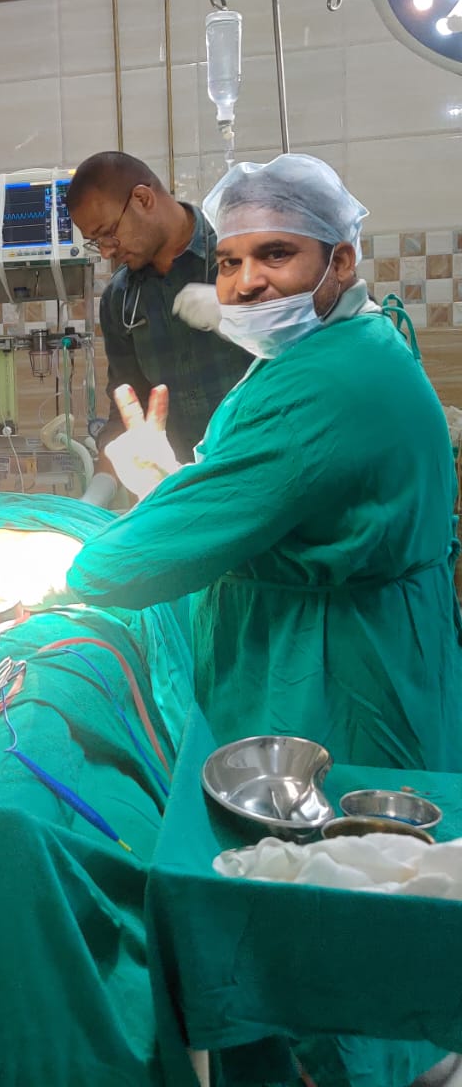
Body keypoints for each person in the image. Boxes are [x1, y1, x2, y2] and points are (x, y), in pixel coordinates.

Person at [55, 153, 462, 771]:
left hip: (339, 687)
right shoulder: (338, 343)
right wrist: (173, 482)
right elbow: (289, 500)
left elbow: (116, 568)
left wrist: (60, 574)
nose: (245, 283)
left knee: (340, 830)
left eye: (276, 254)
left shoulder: (327, 381)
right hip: (353, 647)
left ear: (340, 260)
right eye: (228, 263)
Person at [67, 151, 251, 466]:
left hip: (272, 469)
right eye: (96, 242)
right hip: (187, 483)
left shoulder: (241, 255)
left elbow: (310, 351)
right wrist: (108, 471)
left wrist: (243, 314)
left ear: (143, 199)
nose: (107, 252)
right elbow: (128, 409)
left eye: (108, 233)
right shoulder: (120, 300)